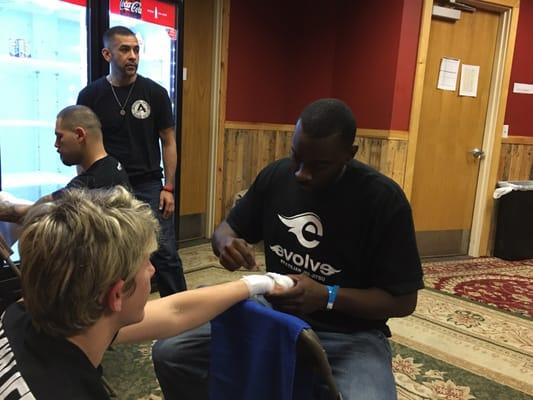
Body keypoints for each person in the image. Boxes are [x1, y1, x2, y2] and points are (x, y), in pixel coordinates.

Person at [152, 98, 424, 400]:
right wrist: (225, 244)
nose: (301, 174)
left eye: (318, 165)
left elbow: (403, 301)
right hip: (270, 314)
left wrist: (327, 296)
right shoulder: (276, 176)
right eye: (297, 157)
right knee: (171, 352)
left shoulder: (382, 201)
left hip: (350, 335)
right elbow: (226, 230)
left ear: (350, 154)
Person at [0, 186, 291, 400]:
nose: (153, 270)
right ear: (116, 295)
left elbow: (175, 311)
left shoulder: (22, 313)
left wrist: (256, 284)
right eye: (146, 262)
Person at [77, 25, 185, 297]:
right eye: (125, 49)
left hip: (149, 184)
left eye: (136, 49)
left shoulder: (156, 93)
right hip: (108, 186)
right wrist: (85, 187)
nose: (133, 55)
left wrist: (168, 187)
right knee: (112, 256)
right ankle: (114, 318)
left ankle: (183, 321)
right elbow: (83, 145)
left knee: (166, 255)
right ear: (107, 54)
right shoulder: (90, 96)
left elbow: (169, 141)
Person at [0, 104, 129, 223]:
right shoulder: (114, 166)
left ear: (79, 135)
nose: (56, 144)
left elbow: (32, 213)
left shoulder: (85, 187)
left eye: (59, 136)